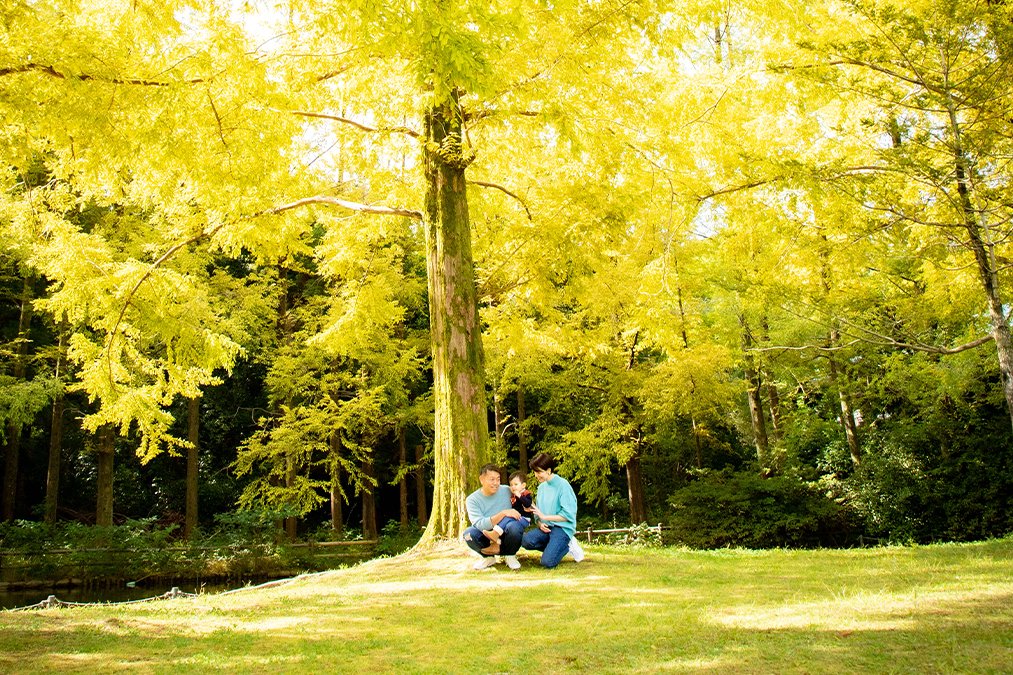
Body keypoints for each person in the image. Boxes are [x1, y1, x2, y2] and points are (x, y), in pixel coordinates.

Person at [521, 453, 583, 568]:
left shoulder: (563, 485)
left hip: (562, 528)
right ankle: (556, 547)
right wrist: (540, 522)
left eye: (539, 472)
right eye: (535, 472)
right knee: (526, 540)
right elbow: (539, 514)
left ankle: (568, 545)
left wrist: (545, 517)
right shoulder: (541, 488)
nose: (536, 475)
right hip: (547, 528)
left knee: (547, 563)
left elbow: (568, 515)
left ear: (548, 470)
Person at [463, 463, 525, 570]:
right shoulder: (472, 500)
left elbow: (524, 499)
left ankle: (509, 555)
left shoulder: (507, 490)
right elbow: (479, 524)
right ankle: (488, 557)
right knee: (468, 534)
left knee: (515, 526)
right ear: (481, 480)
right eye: (492, 479)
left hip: (506, 532)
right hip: (486, 533)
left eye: (498, 479)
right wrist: (503, 513)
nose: (496, 483)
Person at [483, 471, 533, 543]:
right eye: (511, 485)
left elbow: (528, 504)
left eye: (516, 484)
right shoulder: (513, 495)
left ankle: (495, 533)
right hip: (517, 518)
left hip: (524, 519)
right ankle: (498, 539)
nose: (513, 487)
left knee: (507, 517)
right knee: (505, 520)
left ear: (523, 485)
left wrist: (519, 496)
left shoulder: (525, 494)